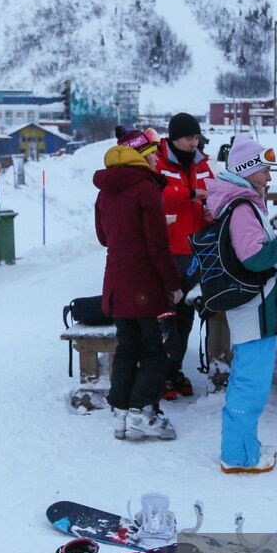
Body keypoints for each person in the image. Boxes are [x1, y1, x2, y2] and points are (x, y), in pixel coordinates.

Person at [203, 136, 277, 473]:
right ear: (249, 169)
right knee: (251, 384)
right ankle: (239, 456)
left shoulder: (243, 204)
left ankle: (243, 445)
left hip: (254, 305)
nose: (268, 177)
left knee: (246, 380)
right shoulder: (243, 208)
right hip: (255, 308)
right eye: (265, 169)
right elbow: (254, 258)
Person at [93, 127, 184, 441]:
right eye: (153, 157)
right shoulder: (146, 190)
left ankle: (120, 414)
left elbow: (104, 237)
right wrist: (174, 285)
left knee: (127, 348)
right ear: (141, 159)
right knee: (157, 351)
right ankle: (141, 410)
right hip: (145, 283)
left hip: (116, 282)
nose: (158, 163)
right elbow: (157, 247)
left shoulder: (105, 191)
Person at [154, 111, 214, 400]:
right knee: (165, 313)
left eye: (196, 137)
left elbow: (213, 191)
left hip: (196, 249)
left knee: (186, 314)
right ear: (175, 137)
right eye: (189, 138)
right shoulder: (157, 161)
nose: (194, 142)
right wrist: (189, 194)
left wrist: (211, 209)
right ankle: (161, 371)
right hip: (167, 250)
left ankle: (174, 369)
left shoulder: (202, 163)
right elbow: (156, 195)